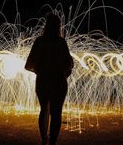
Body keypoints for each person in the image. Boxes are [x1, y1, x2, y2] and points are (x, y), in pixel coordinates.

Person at [25, 12, 74, 145]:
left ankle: (44, 139)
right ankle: (53, 142)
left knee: (44, 109)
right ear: (58, 26)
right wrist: (64, 71)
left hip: (42, 81)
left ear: (46, 26)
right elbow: (69, 64)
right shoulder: (61, 42)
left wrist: (40, 72)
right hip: (59, 81)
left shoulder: (39, 42)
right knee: (56, 112)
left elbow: (28, 65)